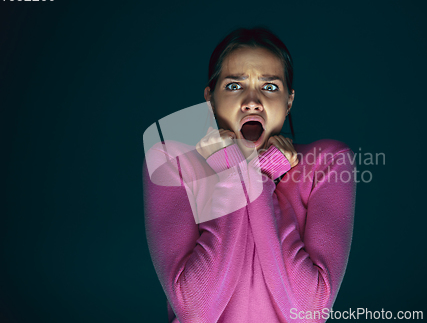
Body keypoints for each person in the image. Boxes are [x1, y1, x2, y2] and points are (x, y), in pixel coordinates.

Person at [143, 27, 357, 323]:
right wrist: (244, 172)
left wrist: (252, 175)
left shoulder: (327, 163)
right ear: (210, 98)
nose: (252, 101)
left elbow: (309, 312)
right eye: (234, 86)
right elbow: (196, 311)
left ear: (289, 101)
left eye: (269, 87)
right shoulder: (171, 161)